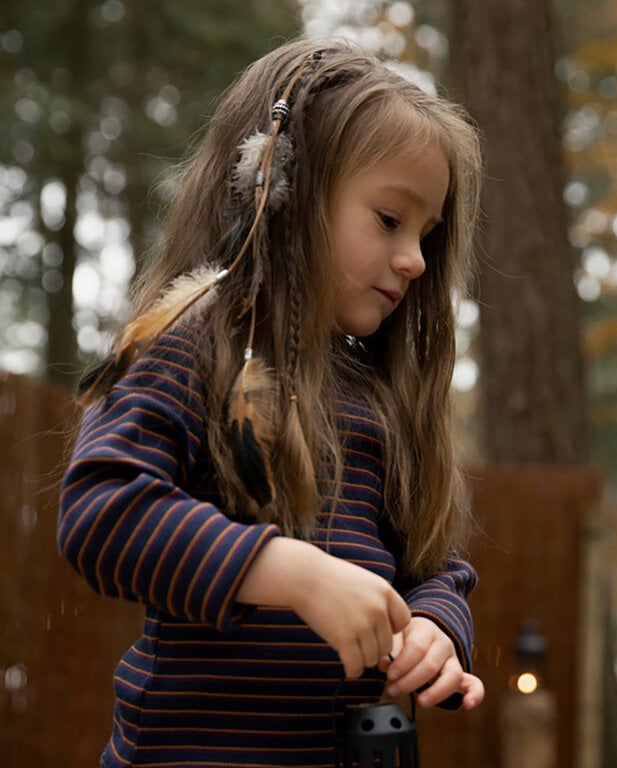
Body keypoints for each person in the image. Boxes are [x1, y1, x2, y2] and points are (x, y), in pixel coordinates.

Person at [58, 37, 484, 768]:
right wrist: (299, 576)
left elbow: (430, 563)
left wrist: (434, 628)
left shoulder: (374, 398)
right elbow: (103, 510)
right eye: (389, 219)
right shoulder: (195, 350)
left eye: (425, 234)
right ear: (277, 190)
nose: (415, 259)